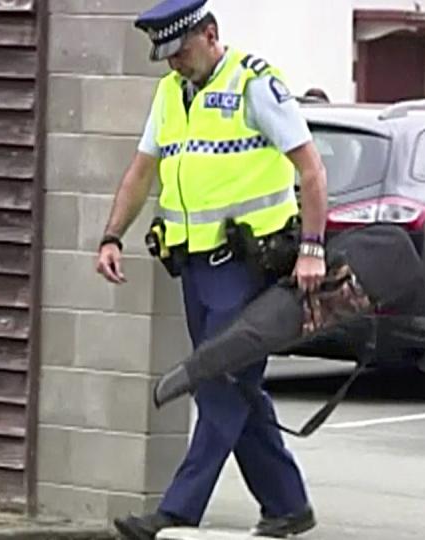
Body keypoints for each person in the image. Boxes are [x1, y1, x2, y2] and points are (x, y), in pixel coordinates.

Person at [93, 0, 329, 537]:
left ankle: (176, 511)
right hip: (195, 269)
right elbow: (140, 171)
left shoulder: (255, 83)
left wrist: (312, 247)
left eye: (181, 52)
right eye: (167, 56)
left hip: (247, 267)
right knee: (237, 387)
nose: (174, 64)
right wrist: (111, 235)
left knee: (218, 380)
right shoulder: (170, 94)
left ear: (210, 33)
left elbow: (311, 170)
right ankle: (288, 505)